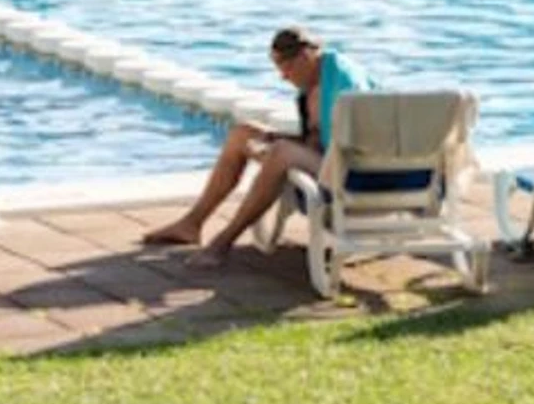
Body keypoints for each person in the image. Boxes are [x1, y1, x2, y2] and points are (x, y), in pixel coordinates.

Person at [140, 26, 371, 261]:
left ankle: (223, 242)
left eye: (286, 68)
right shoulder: (318, 79)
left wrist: (284, 147)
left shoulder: (344, 84)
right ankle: (191, 224)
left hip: (353, 175)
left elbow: (357, 144)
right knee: (243, 134)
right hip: (328, 161)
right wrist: (277, 138)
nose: (284, 77)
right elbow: (319, 137)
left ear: (305, 56)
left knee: (281, 152)